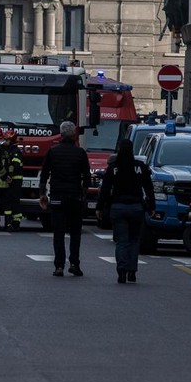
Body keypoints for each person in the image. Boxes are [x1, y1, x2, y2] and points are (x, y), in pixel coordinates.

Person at [95, 138, 155, 283]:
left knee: (121, 241)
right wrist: (152, 206)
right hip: (136, 207)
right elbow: (149, 188)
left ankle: (121, 270)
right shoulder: (140, 167)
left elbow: (105, 189)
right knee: (134, 240)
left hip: (118, 207)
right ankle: (132, 271)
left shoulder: (114, 168)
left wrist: (99, 207)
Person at [38, 121, 91, 277]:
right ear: (74, 134)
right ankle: (74, 263)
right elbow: (87, 177)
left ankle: (59, 265)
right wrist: (83, 194)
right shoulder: (80, 153)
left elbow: (45, 174)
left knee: (58, 232)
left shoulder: (53, 152)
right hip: (75, 196)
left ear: (60, 134)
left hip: (57, 196)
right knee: (75, 232)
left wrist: (43, 193)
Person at [1, 129, 23, 231]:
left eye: (6, 140)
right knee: (9, 200)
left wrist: (9, 175)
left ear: (12, 140)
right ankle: (11, 222)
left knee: (14, 201)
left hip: (15, 179)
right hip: (12, 179)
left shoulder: (15, 151)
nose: (5, 142)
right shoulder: (9, 150)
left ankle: (16, 222)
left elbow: (15, 165)